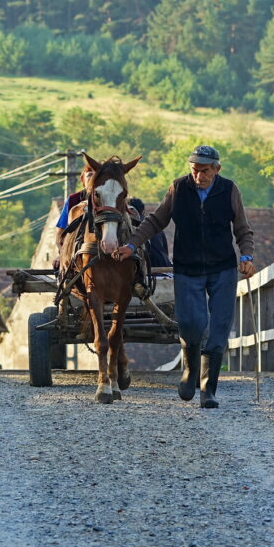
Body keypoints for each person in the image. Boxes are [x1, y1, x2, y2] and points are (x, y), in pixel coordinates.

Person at [114, 145, 256, 408]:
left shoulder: (229, 190)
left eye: (204, 171)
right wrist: (132, 244)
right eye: (194, 170)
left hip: (222, 267)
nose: (198, 176)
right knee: (191, 323)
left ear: (216, 169)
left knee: (219, 327)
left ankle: (208, 389)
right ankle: (190, 370)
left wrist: (246, 257)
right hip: (188, 267)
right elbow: (156, 221)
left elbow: (243, 229)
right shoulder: (179, 188)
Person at [54, 168, 95, 269]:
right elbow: (60, 233)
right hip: (74, 253)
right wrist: (62, 254)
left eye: (96, 175)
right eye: (89, 175)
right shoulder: (73, 200)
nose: (93, 178)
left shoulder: (108, 199)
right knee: (58, 267)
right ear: (82, 180)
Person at [127, 197, 171, 269]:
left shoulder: (128, 228)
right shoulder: (154, 226)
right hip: (164, 266)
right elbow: (165, 250)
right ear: (143, 211)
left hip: (146, 271)